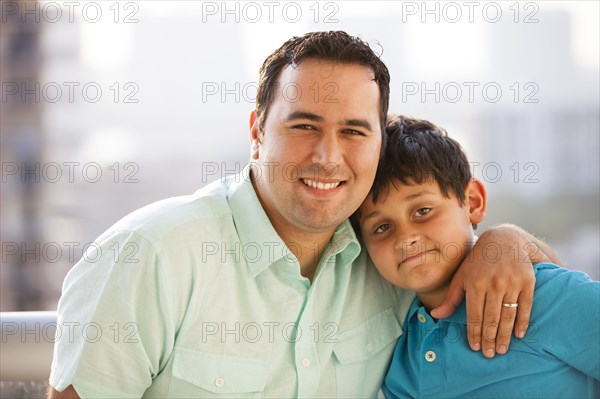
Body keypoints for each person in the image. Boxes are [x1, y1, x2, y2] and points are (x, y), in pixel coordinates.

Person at [49, 31, 559, 398]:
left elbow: (533, 283)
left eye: (354, 132)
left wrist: (503, 239)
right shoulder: (150, 256)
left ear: (379, 144)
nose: (327, 157)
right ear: (256, 130)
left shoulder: (390, 256)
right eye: (304, 126)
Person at [357, 114, 600, 398]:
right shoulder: (396, 346)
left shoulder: (543, 295)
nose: (405, 237)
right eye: (382, 227)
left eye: (422, 211)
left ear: (473, 202)